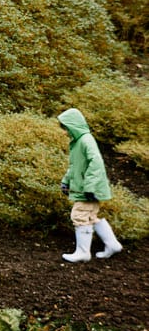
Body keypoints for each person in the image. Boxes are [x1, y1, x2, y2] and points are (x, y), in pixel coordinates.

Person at [57, 108, 122, 263]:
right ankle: (112, 244)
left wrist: (90, 187)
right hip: (85, 187)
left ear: (74, 125)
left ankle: (83, 253)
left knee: (79, 215)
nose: (65, 132)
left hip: (88, 189)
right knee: (90, 216)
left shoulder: (86, 140)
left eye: (66, 128)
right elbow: (75, 166)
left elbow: (96, 163)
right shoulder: (78, 142)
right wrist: (66, 181)